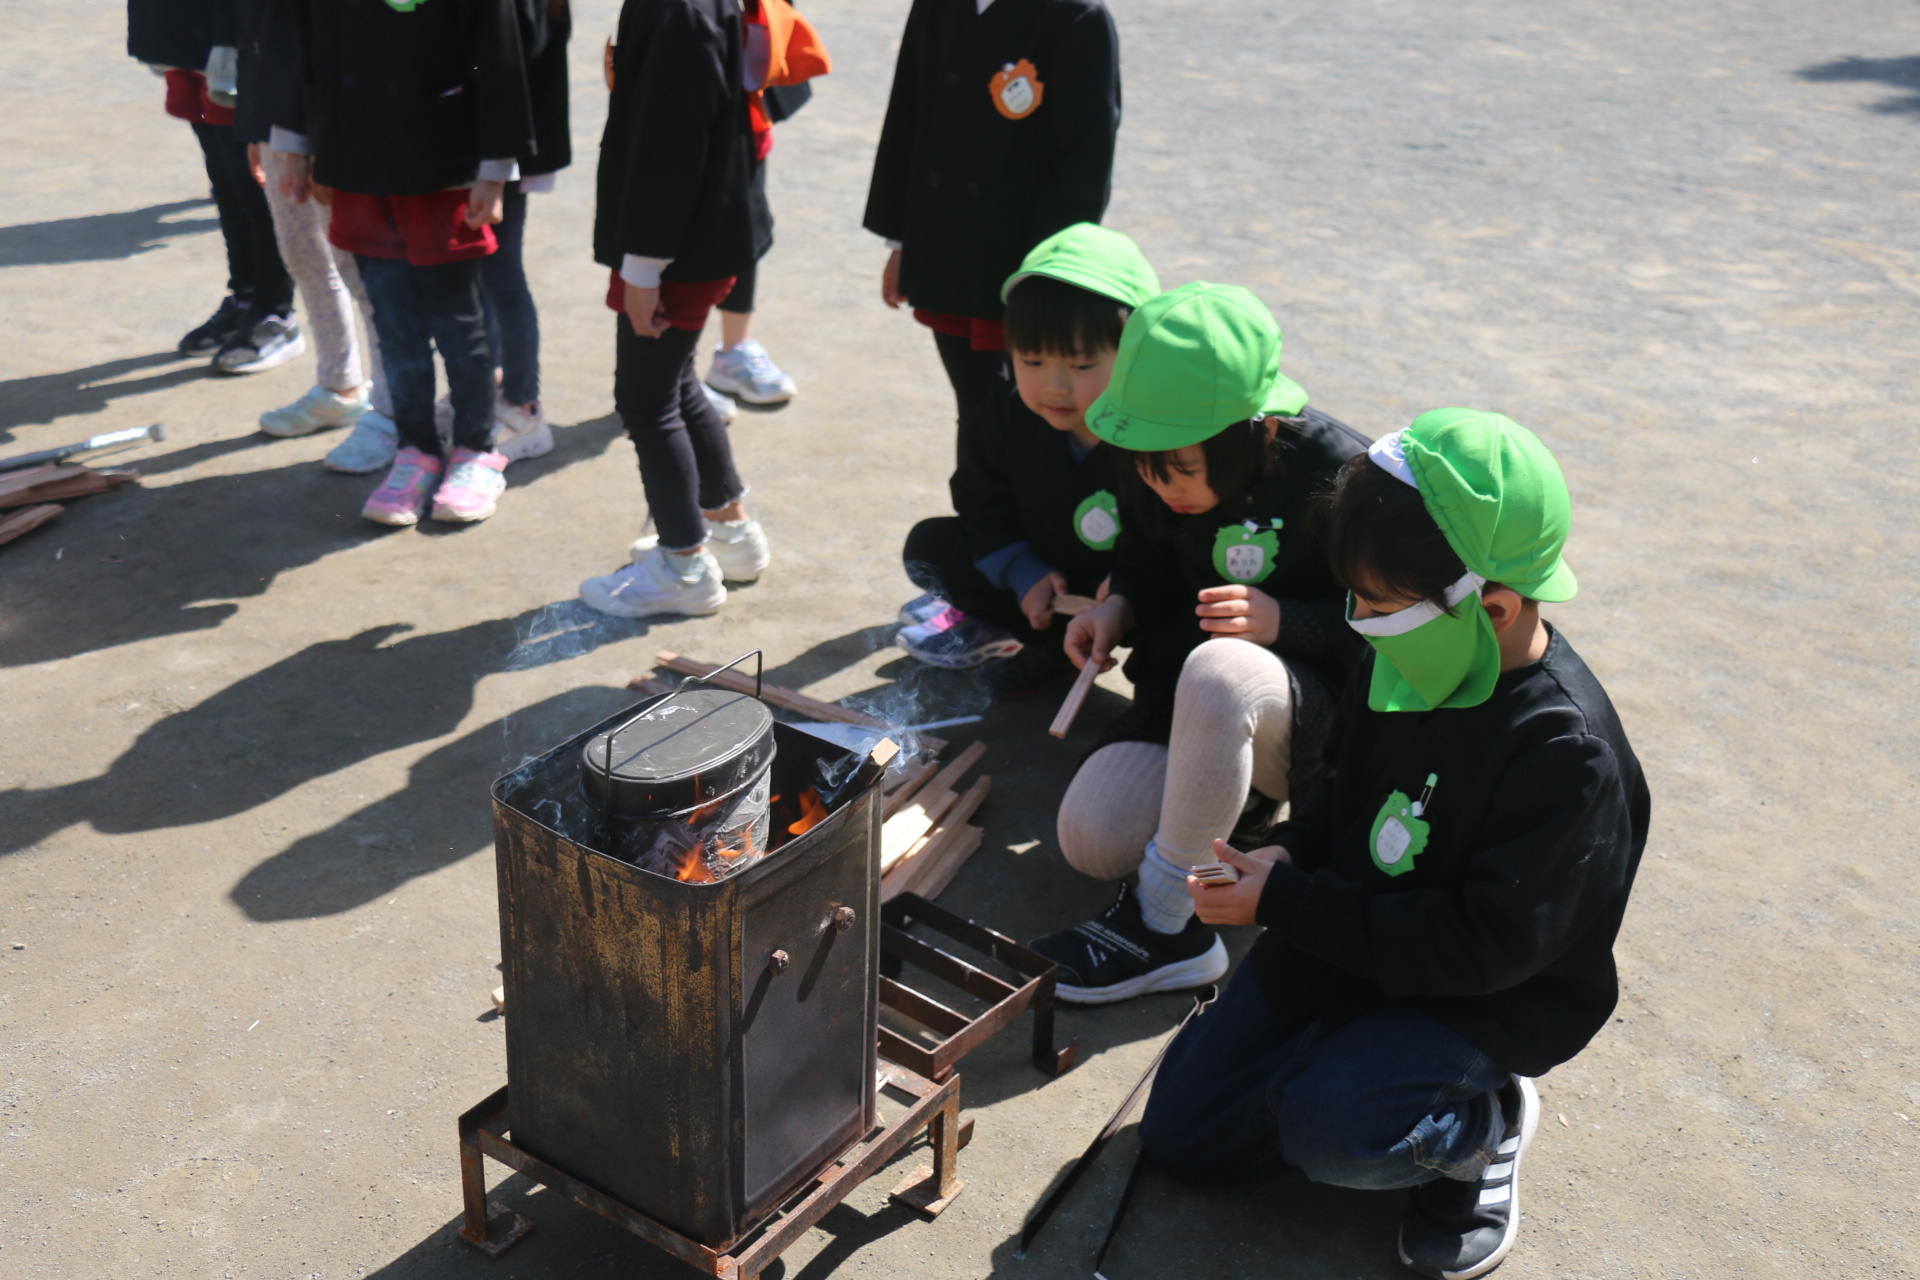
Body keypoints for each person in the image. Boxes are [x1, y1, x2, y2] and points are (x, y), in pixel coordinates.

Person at [1138, 410, 1649, 1280]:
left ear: (1490, 606)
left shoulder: (1567, 756)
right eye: (1356, 602)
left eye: (1377, 607)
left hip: (1474, 995)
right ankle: (1350, 1074)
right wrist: (1290, 857)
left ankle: (1480, 1131)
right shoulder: (1411, 656)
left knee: (1332, 1134)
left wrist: (1291, 903)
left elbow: (1483, 948)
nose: (1359, 626)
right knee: (1183, 1140)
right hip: (1350, 936)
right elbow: (1338, 792)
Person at [1027, 283, 1368, 1002]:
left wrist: (1288, 623)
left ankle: (1167, 925)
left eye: (1177, 468)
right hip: (1196, 707)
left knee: (1223, 669)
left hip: (1316, 729)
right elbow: (1151, 560)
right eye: (1143, 466)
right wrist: (1118, 607)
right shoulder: (1155, 460)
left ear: (1260, 432)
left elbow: (1402, 627)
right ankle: (1225, 809)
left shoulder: (1342, 481)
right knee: (1092, 840)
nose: (1159, 485)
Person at [578, 0, 826, 617]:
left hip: (678, 246)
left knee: (645, 398)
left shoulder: (676, 11)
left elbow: (671, 146)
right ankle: (731, 533)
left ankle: (683, 565)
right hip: (706, 232)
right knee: (674, 381)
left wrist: (643, 266)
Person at [285, 0, 535, 526]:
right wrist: (298, 147)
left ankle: (474, 448)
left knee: (456, 320)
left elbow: (499, 56)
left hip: (444, 165)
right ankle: (415, 448)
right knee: (393, 320)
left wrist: (494, 170)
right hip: (357, 163)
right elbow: (302, 48)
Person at [896, 222, 1157, 696]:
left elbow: (1169, 536)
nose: (1054, 386)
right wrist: (1023, 573)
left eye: (1079, 366)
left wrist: (1124, 595)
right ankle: (1032, 639)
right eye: (1032, 362)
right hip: (1040, 579)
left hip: (1120, 594)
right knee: (930, 546)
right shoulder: (1004, 412)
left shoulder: (1152, 437)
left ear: (1133, 354)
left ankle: (1073, 657)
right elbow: (980, 501)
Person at [863, 0, 1120, 440]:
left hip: (1020, 260)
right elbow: (908, 113)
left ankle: (1026, 506)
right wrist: (901, 242)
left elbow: (1084, 166)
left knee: (1032, 413)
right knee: (975, 401)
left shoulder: (1076, 16)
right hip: (944, 240)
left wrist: (1049, 280)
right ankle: (979, 505)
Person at [231, 0, 392, 451]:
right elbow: (259, 24)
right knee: (300, 253)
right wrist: (257, 120)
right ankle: (339, 385)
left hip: (339, 113)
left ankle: (394, 407)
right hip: (276, 113)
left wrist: (319, 139)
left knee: (360, 268)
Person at [129, 0, 301, 374]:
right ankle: (245, 296)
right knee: (224, 181)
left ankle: (276, 312)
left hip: (234, 34)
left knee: (253, 184)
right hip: (184, 34)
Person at [475, 0, 574, 463]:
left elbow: (509, 54)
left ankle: (522, 403)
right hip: (509, 139)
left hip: (506, 145)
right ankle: (495, 385)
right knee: (485, 273)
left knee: (500, 274)